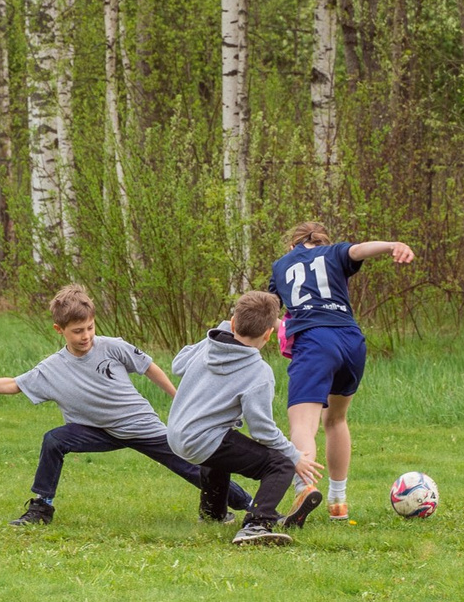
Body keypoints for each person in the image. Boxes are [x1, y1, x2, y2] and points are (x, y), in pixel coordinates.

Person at [0, 282, 227, 526]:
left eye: (90, 328)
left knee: (189, 466)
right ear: (59, 330)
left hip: (138, 425)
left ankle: (248, 506)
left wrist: (178, 398)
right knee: (54, 440)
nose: (85, 336)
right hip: (94, 430)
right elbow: (14, 384)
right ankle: (41, 508)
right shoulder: (53, 368)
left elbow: (149, 367)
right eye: (77, 331)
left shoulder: (112, 347)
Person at [267, 221, 416, 522]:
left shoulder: (281, 265)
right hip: (351, 341)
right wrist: (391, 246)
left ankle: (304, 489)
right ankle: (338, 501)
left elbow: (267, 308)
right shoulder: (334, 253)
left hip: (314, 341)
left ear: (292, 244)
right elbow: (359, 250)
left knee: (302, 425)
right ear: (322, 241)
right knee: (335, 419)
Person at [166, 290, 322, 547]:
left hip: (177, 433)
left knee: (223, 448)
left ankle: (212, 513)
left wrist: (220, 331)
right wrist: (294, 456)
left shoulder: (209, 345)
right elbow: (262, 430)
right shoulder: (258, 372)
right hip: (201, 438)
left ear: (233, 322)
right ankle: (256, 524)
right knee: (279, 464)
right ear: (268, 335)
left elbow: (177, 364)